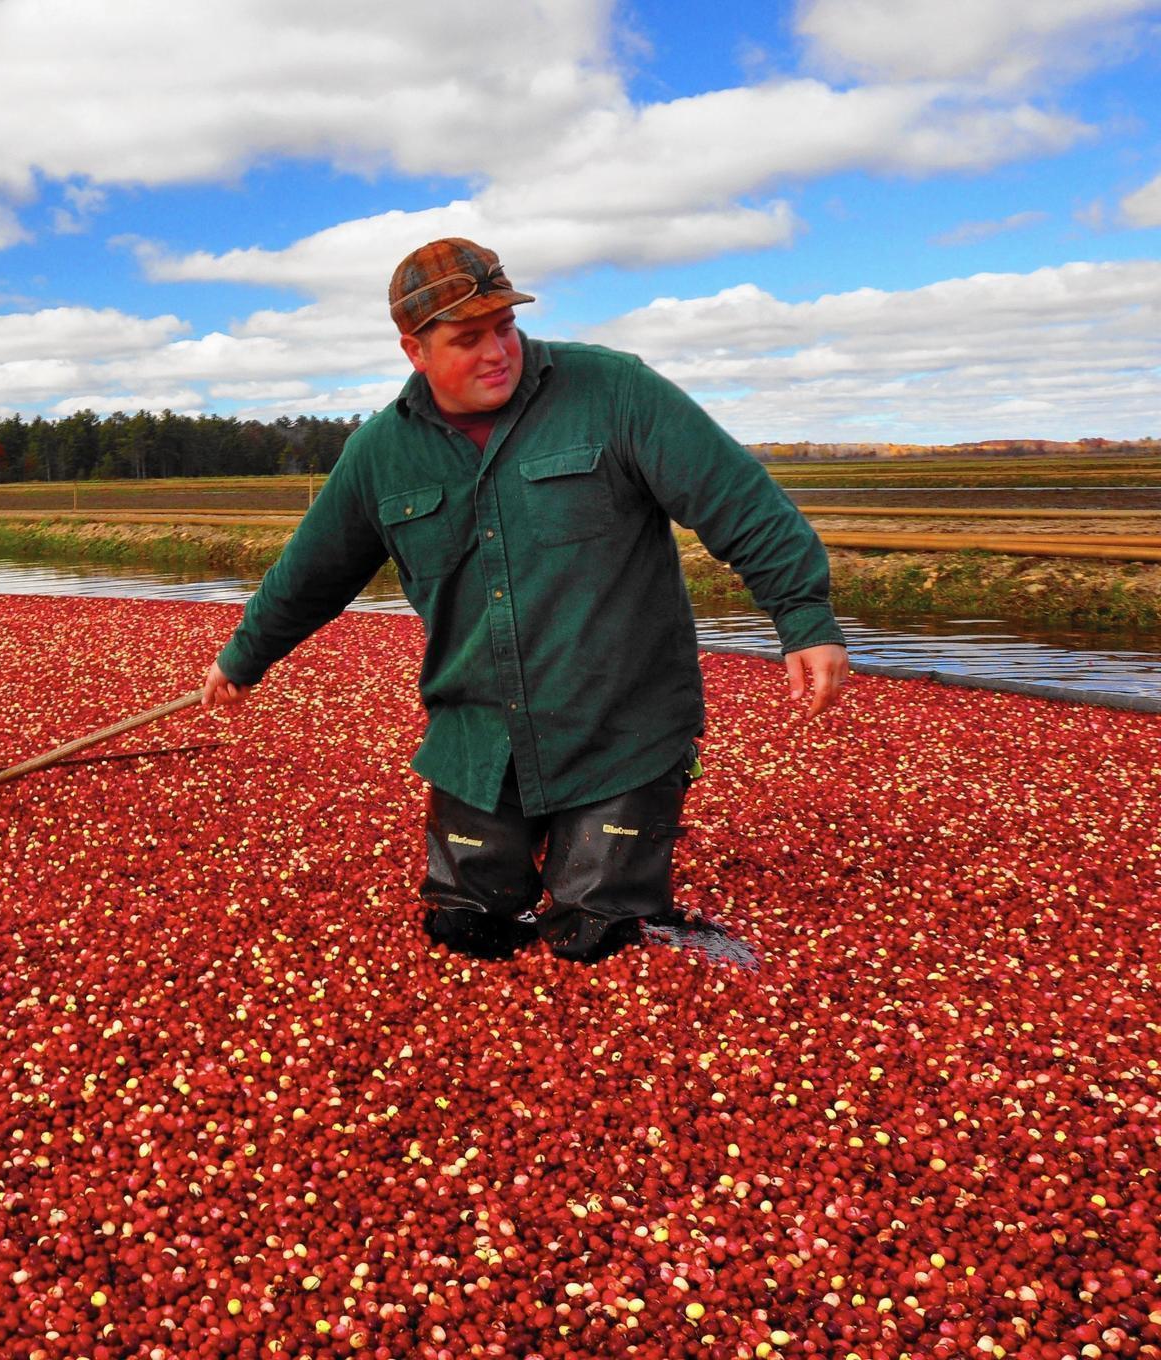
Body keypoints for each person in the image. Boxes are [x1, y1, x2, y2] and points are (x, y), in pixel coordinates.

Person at [201, 238, 849, 964]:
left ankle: (617, 901)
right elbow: (311, 571)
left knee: (599, 936)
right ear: (415, 351)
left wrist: (803, 616)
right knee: (464, 928)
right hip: (479, 735)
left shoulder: (613, 391)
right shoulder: (381, 452)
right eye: (468, 338)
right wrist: (245, 657)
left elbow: (737, 500)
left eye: (504, 327)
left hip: (621, 729)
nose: (496, 351)